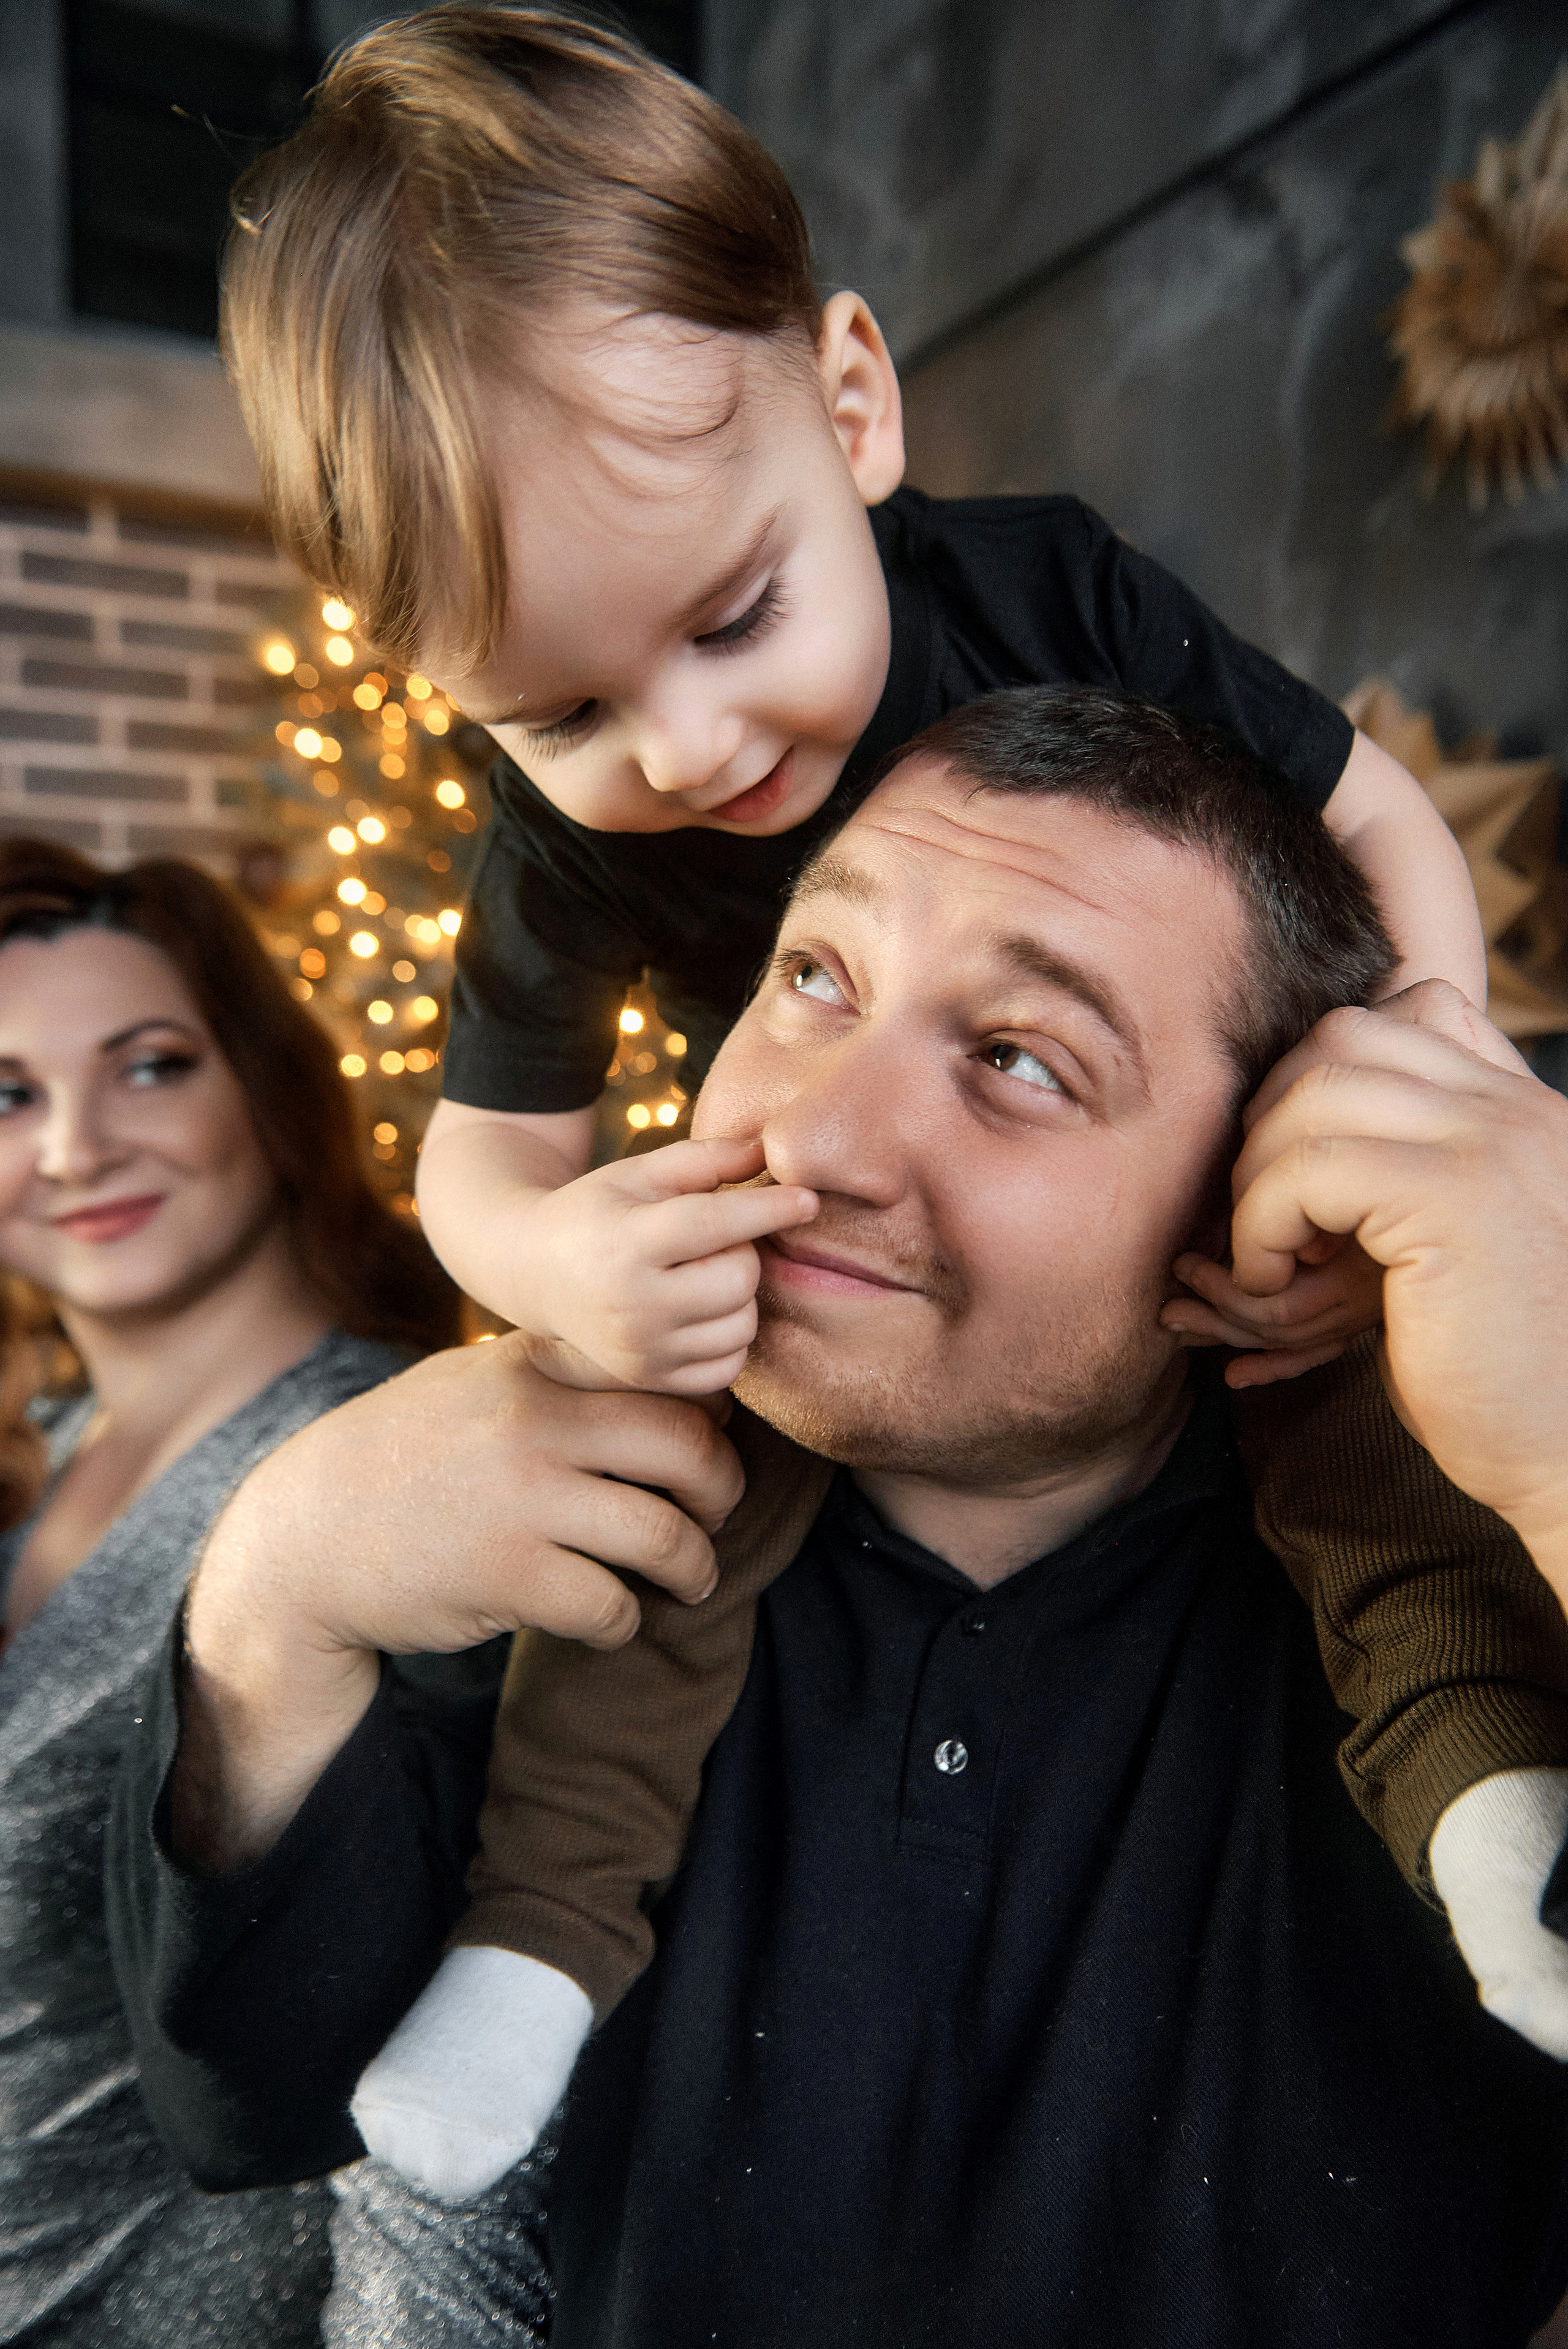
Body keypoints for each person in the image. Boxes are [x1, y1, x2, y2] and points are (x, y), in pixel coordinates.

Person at [216, 3, 1528, 2181]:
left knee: (1361, 1447)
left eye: (738, 615)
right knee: (663, 1530)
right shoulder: (561, 830)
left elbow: (1378, 813)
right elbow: (486, 1159)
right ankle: (541, 1952)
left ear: (852, 402)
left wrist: (1432, 1081)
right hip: (805, 1286)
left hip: (1212, 1204)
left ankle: (1492, 1794)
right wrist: (571, 1267)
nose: (693, 749)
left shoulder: (1048, 592)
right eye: (565, 709)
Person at [109, 694, 1568, 2345]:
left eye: (1018, 1058)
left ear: (1263, 1195)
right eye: (817, 980)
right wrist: (274, 1592)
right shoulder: (552, 1498)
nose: (813, 1135)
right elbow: (253, 2112)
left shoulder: (1454, 1587)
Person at [0, 841, 464, 2345]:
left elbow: (445, 2116)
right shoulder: (46, 1453)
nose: (72, 1146)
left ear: (264, 1089)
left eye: (147, 1068)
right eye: (7, 1095)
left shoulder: (396, 1470)